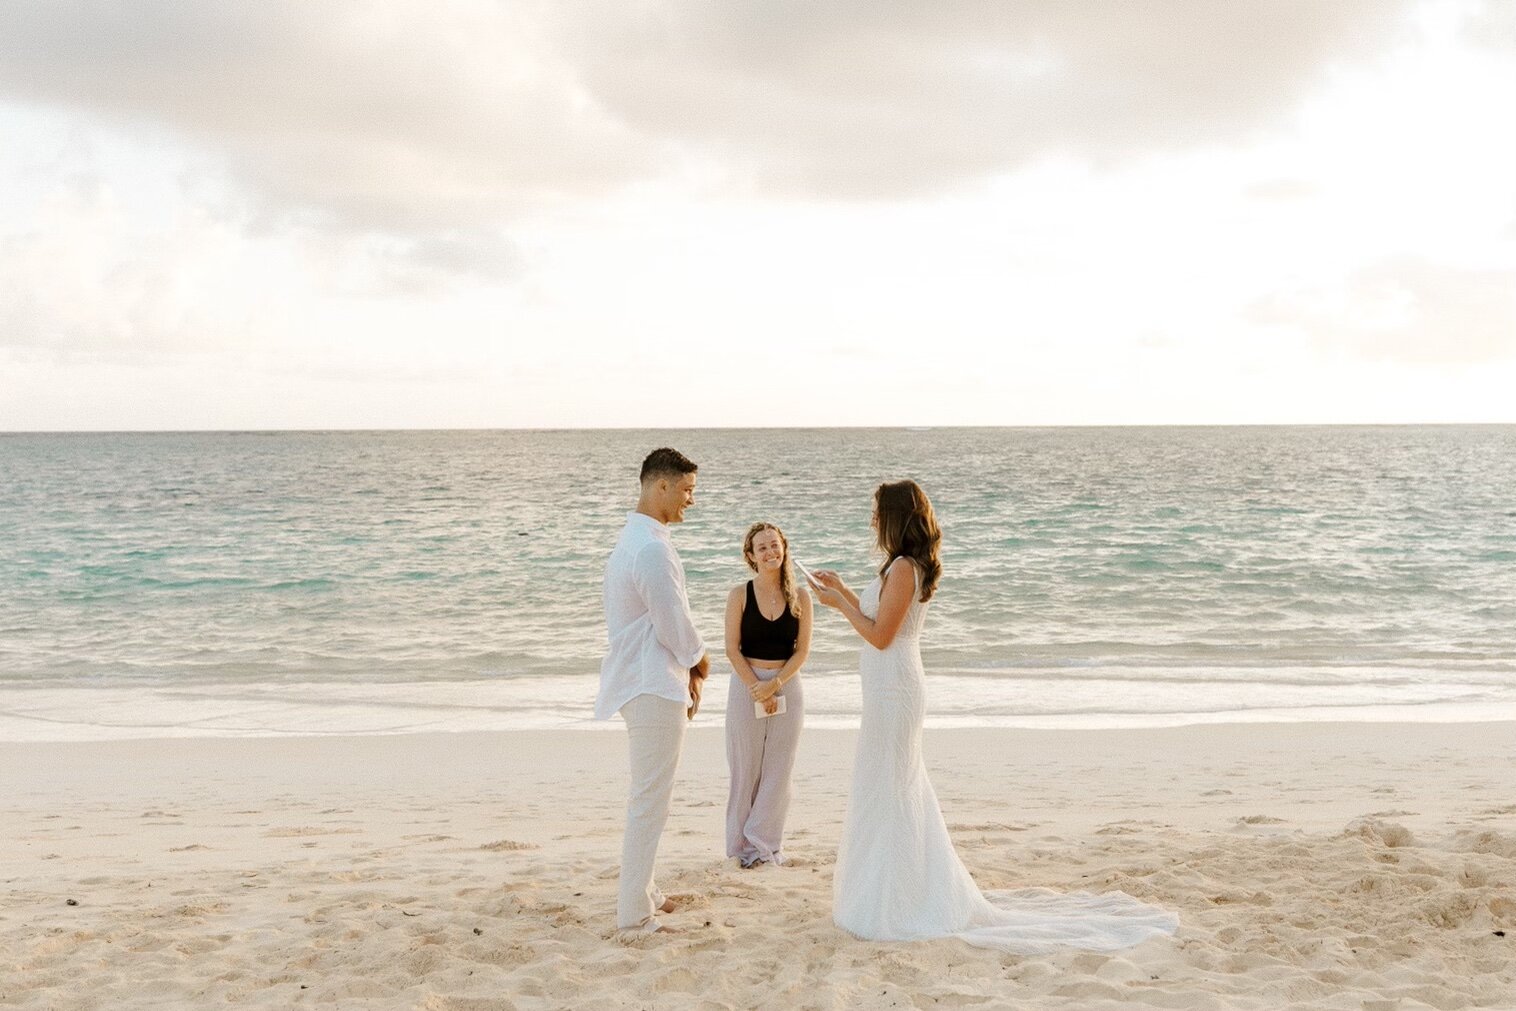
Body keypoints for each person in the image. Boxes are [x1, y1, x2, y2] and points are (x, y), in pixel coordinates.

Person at [810, 480, 1178, 952]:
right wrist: (841, 588)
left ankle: (899, 898)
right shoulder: (897, 567)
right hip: (885, 688)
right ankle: (888, 890)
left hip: (895, 689)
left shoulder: (904, 568)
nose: (872, 520)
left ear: (895, 518)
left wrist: (838, 605)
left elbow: (882, 636)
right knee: (886, 784)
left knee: (891, 785)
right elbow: (879, 620)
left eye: (877, 512)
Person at [595, 447, 711, 935]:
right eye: (686, 490)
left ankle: (644, 891)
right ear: (659, 486)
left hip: (646, 678)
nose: (690, 501)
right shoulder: (649, 548)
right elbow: (672, 622)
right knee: (650, 799)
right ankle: (634, 913)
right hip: (650, 682)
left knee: (652, 797)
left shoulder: (638, 539)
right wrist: (700, 661)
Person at [724, 522, 812, 868]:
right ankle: (740, 848)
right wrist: (757, 689)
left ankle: (765, 845)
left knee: (779, 770)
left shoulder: (801, 596)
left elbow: (802, 651)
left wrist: (775, 685)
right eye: (762, 547)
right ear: (751, 555)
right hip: (747, 685)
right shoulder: (739, 595)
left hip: (788, 684)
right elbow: (732, 650)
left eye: (774, 545)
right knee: (745, 769)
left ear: (784, 548)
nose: (770, 552)